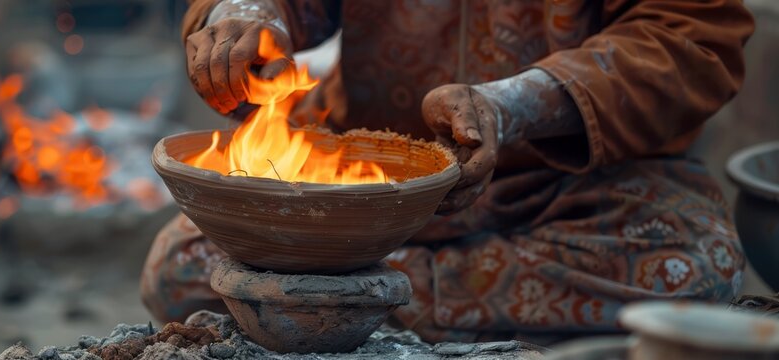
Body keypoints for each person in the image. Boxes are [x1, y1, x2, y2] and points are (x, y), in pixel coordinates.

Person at [142, 0, 754, 343]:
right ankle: (361, 300)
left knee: (691, 266)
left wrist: (514, 104)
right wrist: (242, 15)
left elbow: (688, 39)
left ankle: (347, 307)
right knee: (179, 266)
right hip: (372, 197)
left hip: (570, 187)